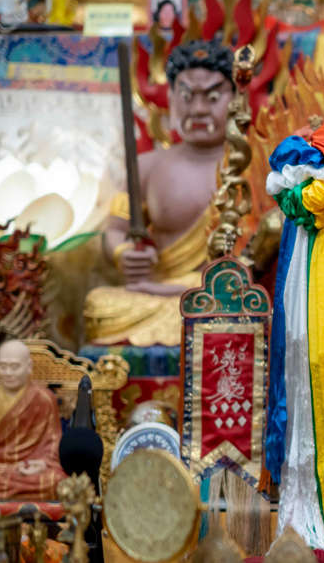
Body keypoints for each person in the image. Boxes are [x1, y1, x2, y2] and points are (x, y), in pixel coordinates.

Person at [83, 40, 232, 346]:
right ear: (172, 99)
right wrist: (124, 253)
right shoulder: (147, 167)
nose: (199, 109)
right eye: (187, 97)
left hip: (226, 296)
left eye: (213, 97)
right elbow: (115, 230)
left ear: (237, 99)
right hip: (158, 292)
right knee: (99, 305)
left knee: (241, 311)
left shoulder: (253, 167)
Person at [0, 340, 66, 502]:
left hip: (31, 470)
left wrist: (43, 463)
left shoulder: (44, 398)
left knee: (56, 481)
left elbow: (53, 441)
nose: (8, 373)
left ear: (28, 367)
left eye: (15, 367)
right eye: (3, 366)